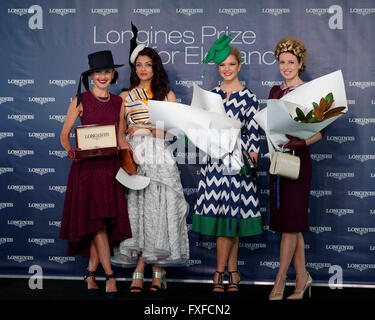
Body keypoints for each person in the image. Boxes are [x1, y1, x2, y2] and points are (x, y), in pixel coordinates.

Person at [112, 41, 189, 293]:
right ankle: (140, 267)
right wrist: (128, 153)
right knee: (140, 212)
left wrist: (145, 129)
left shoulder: (167, 95)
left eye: (149, 64)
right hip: (136, 156)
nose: (144, 69)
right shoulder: (126, 96)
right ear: (135, 68)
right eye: (139, 65)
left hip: (160, 158)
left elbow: (172, 132)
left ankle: (158, 270)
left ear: (156, 67)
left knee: (159, 210)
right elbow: (120, 133)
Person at [192, 36, 263, 298]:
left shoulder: (250, 99)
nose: (226, 69)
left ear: (239, 65)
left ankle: (220, 272)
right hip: (214, 166)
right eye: (222, 65)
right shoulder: (211, 97)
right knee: (225, 221)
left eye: (231, 64)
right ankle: (231, 271)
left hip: (239, 166)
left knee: (231, 222)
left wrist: (250, 158)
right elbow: (199, 133)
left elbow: (254, 137)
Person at [59, 50, 132, 299]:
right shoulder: (80, 100)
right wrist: (72, 153)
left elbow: (121, 138)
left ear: (113, 75)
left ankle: (91, 272)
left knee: (101, 223)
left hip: (110, 170)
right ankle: (110, 276)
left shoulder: (119, 103)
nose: (103, 76)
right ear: (91, 75)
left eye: (107, 72)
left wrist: (134, 160)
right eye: (98, 72)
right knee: (99, 224)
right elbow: (64, 135)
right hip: (86, 171)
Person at [268, 37, 323, 300]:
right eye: (282, 62)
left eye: (291, 62)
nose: (286, 66)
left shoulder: (309, 92)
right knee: (291, 223)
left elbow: (320, 132)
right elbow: (271, 127)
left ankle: (280, 281)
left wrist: (300, 141)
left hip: (299, 163)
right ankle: (303, 278)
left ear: (301, 63)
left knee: (291, 225)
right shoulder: (274, 92)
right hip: (279, 160)